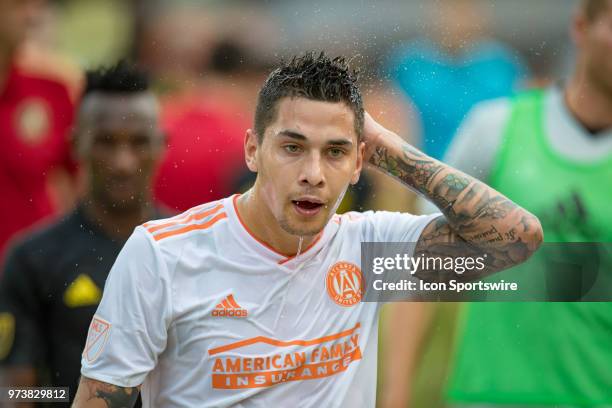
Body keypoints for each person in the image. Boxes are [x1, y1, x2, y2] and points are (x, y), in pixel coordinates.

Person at [72, 52, 542, 407]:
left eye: (335, 152)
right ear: (253, 151)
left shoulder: (368, 251)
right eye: (293, 147)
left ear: (360, 161)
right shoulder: (162, 254)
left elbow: (519, 238)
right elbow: (98, 397)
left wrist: (388, 148)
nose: (314, 173)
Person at [386, 0, 612, 406]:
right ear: (580, 27)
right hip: (487, 395)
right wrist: (393, 396)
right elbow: (419, 266)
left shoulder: (499, 67)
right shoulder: (495, 127)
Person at [0, 62, 166, 405]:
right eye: (106, 142)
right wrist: (67, 397)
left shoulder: (193, 249)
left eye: (138, 142)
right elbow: (12, 391)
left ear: (161, 145)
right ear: (77, 145)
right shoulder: (32, 259)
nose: (123, 161)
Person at [387, 0, 528, 160]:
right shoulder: (407, 66)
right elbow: (389, 125)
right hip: (420, 172)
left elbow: (520, 128)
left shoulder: (503, 66)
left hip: (485, 175)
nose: (457, 20)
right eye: (450, 8)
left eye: (466, 9)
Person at [0, 0, 81, 262]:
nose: (30, 16)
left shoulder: (52, 88)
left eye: (35, 6)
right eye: (17, 6)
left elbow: (81, 181)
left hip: (34, 273)